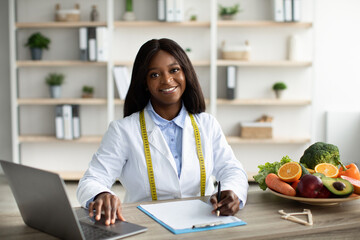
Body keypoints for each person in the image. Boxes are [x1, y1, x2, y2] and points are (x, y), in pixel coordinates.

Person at [77, 38, 249, 226]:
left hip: (204, 226)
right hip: (148, 228)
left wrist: (233, 192)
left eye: (174, 70)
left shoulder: (207, 124)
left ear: (186, 73)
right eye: (154, 75)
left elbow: (231, 169)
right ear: (144, 82)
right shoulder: (123, 130)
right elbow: (91, 179)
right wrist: (102, 194)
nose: (167, 80)